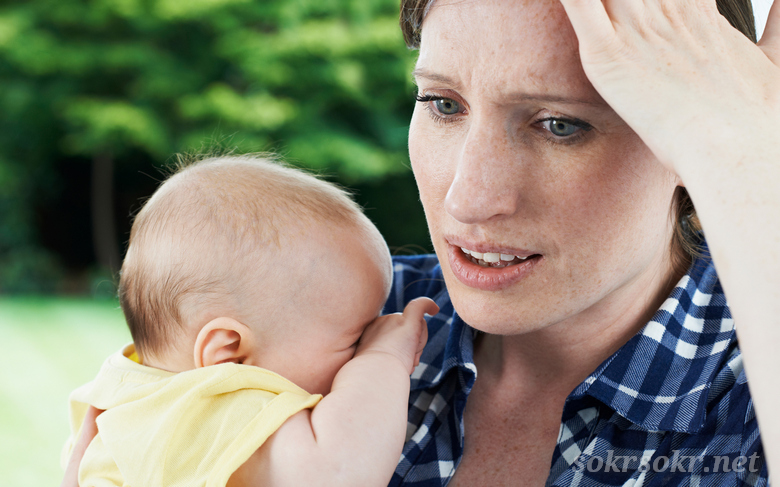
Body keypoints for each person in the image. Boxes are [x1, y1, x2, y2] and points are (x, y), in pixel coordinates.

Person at [63, 0, 780, 485]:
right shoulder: (323, 309)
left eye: (560, 125)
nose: (468, 197)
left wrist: (751, 153)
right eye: (442, 103)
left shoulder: (748, 384)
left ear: (692, 139)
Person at [62, 155, 438, 487]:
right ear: (230, 352)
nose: (373, 338)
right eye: (356, 339)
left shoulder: (123, 399)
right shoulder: (214, 410)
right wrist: (383, 358)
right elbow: (342, 473)